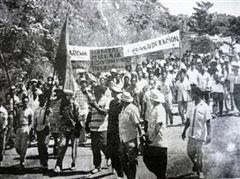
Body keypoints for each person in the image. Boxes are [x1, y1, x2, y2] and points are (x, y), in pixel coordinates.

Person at [182, 87, 212, 179]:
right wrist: (184, 131)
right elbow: (187, 120)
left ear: (198, 95)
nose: (191, 95)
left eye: (193, 94)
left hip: (200, 134)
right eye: (191, 94)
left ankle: (200, 171)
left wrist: (209, 135)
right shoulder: (190, 105)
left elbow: (208, 122)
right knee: (189, 152)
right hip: (191, 133)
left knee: (199, 155)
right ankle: (196, 165)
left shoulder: (205, 106)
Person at [118, 91, 144, 179]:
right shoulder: (123, 109)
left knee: (132, 160)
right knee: (122, 159)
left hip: (131, 138)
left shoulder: (132, 109)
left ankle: (132, 177)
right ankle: (130, 176)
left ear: (124, 101)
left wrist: (140, 137)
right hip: (123, 138)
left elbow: (137, 124)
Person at [54, 89, 80, 173]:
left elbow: (78, 117)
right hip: (64, 128)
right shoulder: (61, 104)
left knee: (74, 147)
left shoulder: (75, 104)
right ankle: (58, 164)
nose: (65, 97)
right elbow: (58, 116)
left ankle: (74, 162)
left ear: (70, 96)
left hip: (73, 128)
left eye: (67, 95)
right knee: (62, 146)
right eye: (64, 95)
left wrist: (77, 128)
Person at [144, 89, 168, 179]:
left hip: (159, 141)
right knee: (148, 160)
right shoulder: (153, 108)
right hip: (153, 141)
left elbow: (158, 125)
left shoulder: (160, 109)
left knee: (160, 166)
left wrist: (152, 137)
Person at [89, 85, 110, 174]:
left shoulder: (106, 99)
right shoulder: (93, 100)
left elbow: (105, 112)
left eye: (96, 92)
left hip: (102, 127)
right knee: (95, 148)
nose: (94, 94)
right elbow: (91, 113)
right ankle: (97, 166)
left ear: (101, 92)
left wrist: (96, 106)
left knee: (104, 145)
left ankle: (109, 156)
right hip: (93, 127)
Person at [107, 84, 123, 178]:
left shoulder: (120, 104)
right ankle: (115, 169)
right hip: (111, 130)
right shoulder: (111, 103)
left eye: (113, 92)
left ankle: (120, 173)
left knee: (118, 153)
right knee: (112, 151)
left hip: (117, 130)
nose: (112, 93)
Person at [15, 96, 34, 168]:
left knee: (23, 146)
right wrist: (16, 127)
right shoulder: (19, 110)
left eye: (26, 101)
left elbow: (31, 121)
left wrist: (29, 130)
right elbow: (16, 118)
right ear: (22, 102)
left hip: (26, 128)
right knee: (17, 146)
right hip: (19, 128)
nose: (25, 103)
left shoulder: (30, 111)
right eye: (24, 101)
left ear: (28, 102)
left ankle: (22, 161)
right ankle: (22, 155)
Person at [34, 94, 51, 169]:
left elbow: (51, 117)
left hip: (45, 128)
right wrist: (34, 129)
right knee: (40, 145)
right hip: (38, 128)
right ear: (39, 100)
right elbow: (34, 120)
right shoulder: (37, 109)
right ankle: (42, 161)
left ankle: (45, 162)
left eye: (43, 100)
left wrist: (48, 113)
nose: (42, 101)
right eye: (41, 100)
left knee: (45, 145)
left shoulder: (48, 109)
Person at [0, 98, 8, 166]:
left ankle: (0, 157)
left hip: (2, 129)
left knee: (2, 144)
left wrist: (4, 127)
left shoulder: (4, 111)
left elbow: (5, 121)